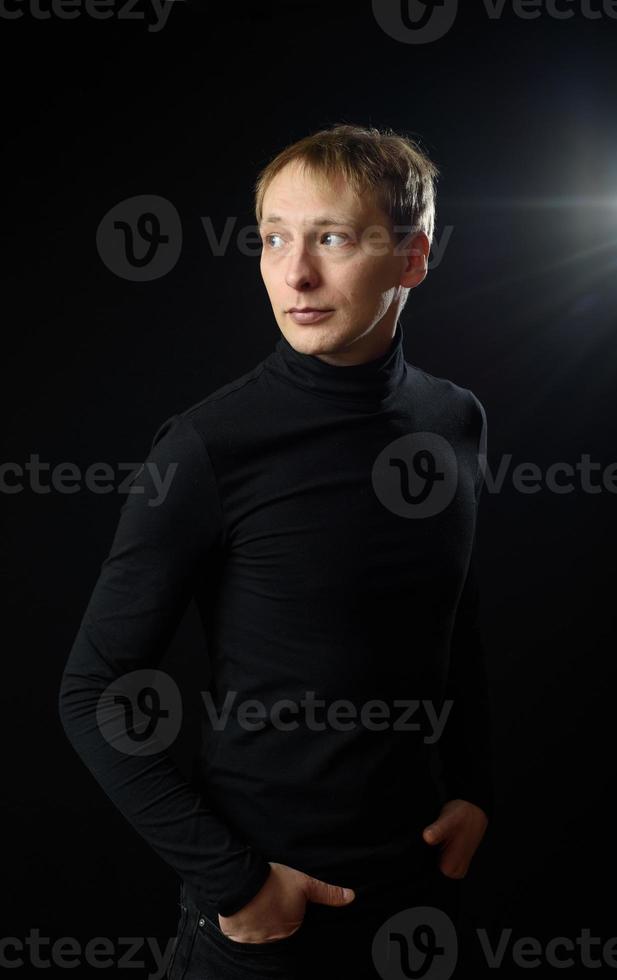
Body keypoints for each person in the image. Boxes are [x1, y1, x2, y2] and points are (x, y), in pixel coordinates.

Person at [58, 123, 494, 980]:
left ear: (412, 258)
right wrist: (237, 884)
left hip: (417, 900)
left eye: (331, 238)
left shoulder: (456, 421)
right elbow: (91, 693)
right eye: (273, 239)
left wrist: (474, 788)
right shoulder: (208, 446)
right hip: (267, 923)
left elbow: (454, 617)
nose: (294, 274)